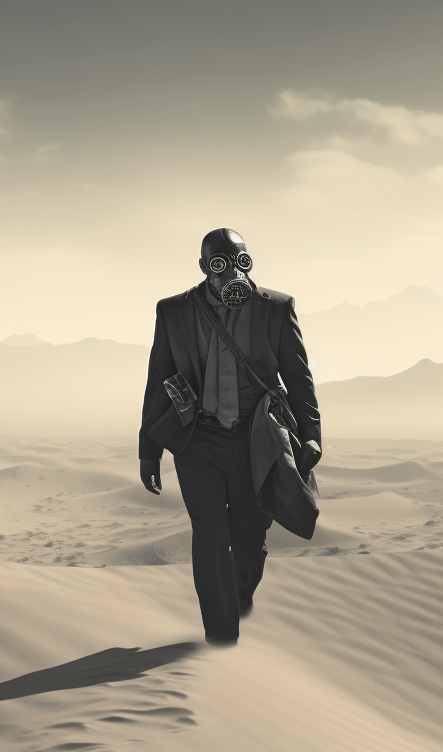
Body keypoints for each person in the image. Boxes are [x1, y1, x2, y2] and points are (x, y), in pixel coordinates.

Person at [138, 228, 322, 646]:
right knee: (210, 537)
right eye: (218, 264)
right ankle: (221, 638)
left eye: (240, 260)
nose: (230, 272)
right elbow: (158, 380)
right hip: (197, 440)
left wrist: (311, 435)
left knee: (248, 538)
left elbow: (298, 376)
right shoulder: (173, 311)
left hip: (257, 439)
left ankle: (238, 596)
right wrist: (148, 453)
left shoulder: (275, 308)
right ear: (204, 268)